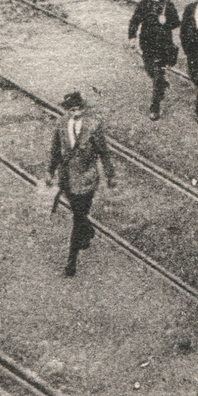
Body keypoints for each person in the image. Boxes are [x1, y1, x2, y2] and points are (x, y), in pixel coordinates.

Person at [48, 91, 115, 277]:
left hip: (86, 181)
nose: (76, 113)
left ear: (83, 108)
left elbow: (104, 152)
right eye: (72, 110)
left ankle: (71, 262)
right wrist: (50, 171)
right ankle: (87, 228)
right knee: (79, 214)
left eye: (78, 109)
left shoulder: (93, 126)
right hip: (67, 179)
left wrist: (110, 175)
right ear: (67, 110)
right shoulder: (61, 124)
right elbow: (55, 150)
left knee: (77, 219)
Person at [127, 0, 181, 120]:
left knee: (158, 74)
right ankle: (161, 83)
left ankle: (155, 107)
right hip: (148, 43)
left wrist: (166, 21)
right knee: (150, 69)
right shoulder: (144, 4)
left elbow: (176, 22)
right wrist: (132, 37)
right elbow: (134, 21)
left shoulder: (168, 5)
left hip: (164, 45)